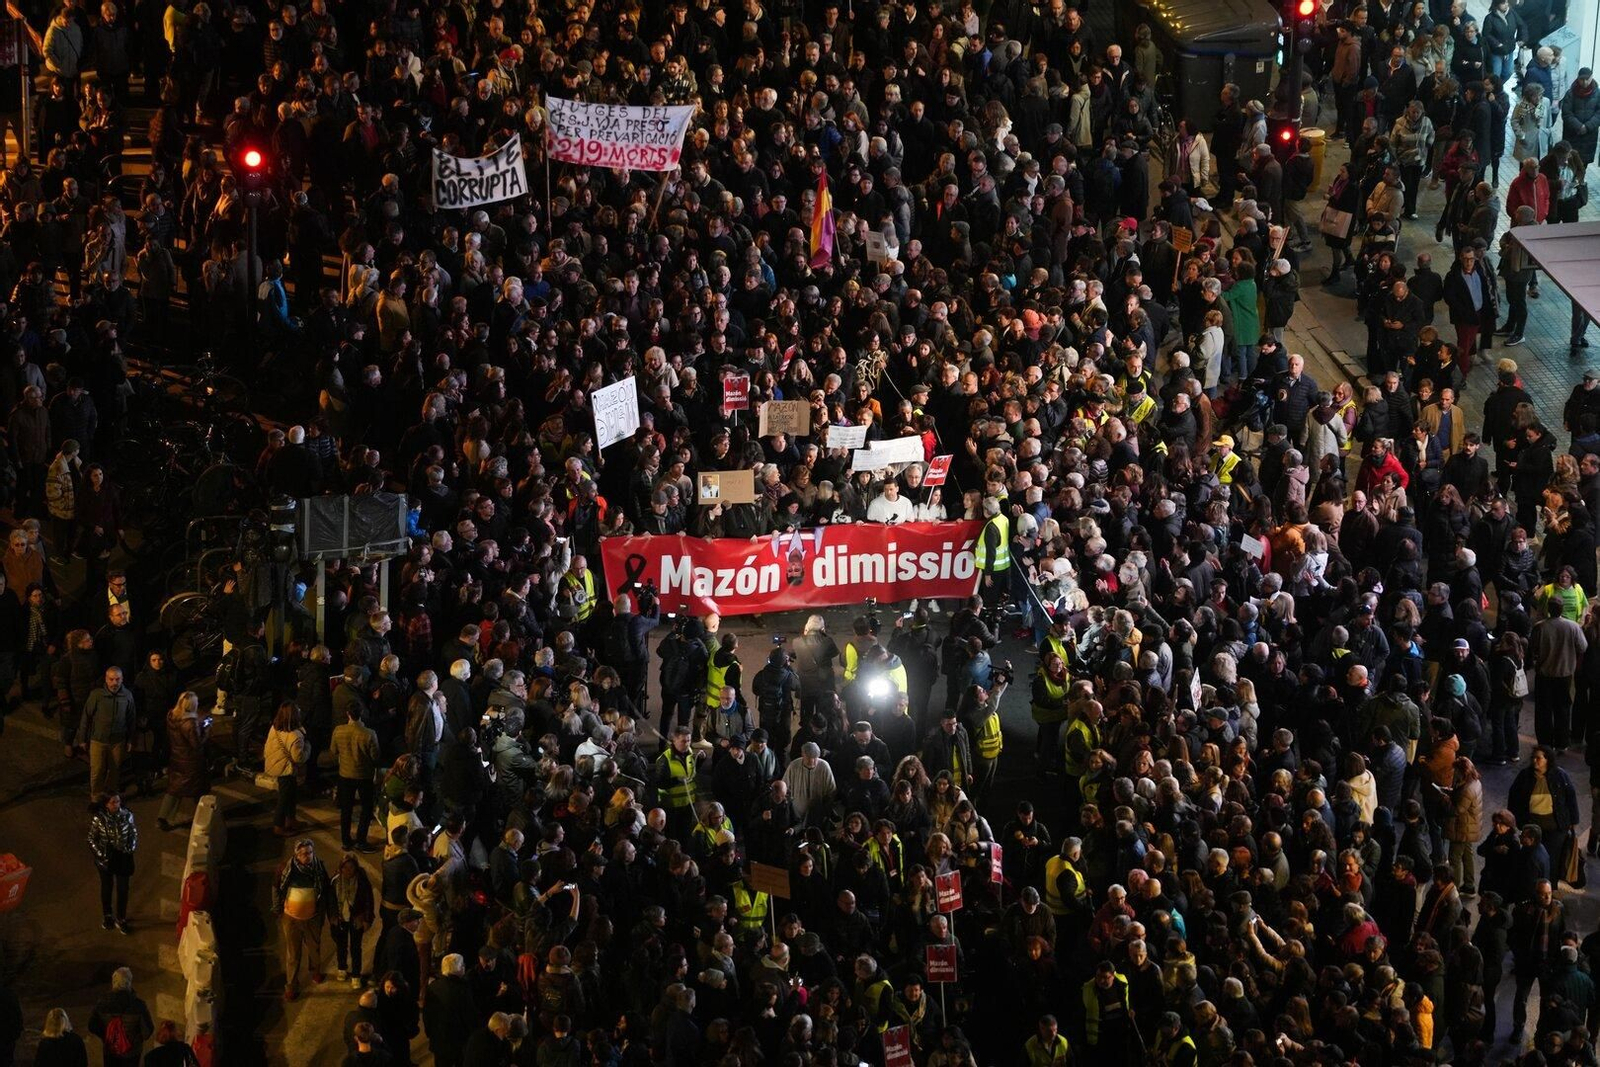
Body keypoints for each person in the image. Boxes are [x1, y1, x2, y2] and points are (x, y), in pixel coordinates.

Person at [271, 837, 332, 1001]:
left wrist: (331, 914)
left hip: (313, 917)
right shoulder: (286, 869)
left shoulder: (319, 868)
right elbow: (276, 888)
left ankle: (315, 971)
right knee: (293, 954)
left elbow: (326, 891)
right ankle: (291, 985)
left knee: (314, 948)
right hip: (291, 918)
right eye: (304, 853)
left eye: (310, 852)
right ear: (297, 855)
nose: (308, 856)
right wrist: (277, 908)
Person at [75, 666, 136, 798]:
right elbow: (86, 716)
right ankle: (96, 797)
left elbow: (131, 718)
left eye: (117, 679)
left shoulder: (127, 696)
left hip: (117, 741)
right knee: (97, 771)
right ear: (106, 679)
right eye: (111, 679)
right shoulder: (97, 695)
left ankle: (111, 796)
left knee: (115, 770)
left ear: (122, 679)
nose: (114, 683)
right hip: (98, 740)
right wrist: (82, 739)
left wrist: (130, 739)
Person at [157, 691, 209, 831]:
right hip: (191, 762)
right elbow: (197, 745)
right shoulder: (190, 724)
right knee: (200, 790)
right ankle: (204, 818)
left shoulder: (172, 717)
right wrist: (205, 730)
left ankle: (163, 817)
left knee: (174, 790)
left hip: (176, 759)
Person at [87, 792, 137, 933]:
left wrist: (130, 848)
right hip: (105, 861)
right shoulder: (99, 819)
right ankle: (107, 915)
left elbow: (133, 833)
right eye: (113, 802)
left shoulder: (128, 815)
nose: (116, 805)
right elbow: (91, 839)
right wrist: (101, 854)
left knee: (123, 889)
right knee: (107, 887)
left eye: (118, 801)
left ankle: (121, 918)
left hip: (123, 858)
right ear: (106, 804)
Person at [86, 968, 152, 1067]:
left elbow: (92, 1026)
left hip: (110, 1050)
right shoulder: (139, 1005)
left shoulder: (102, 1003)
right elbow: (147, 1032)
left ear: (113, 982)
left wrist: (105, 1036)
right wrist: (135, 1039)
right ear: (129, 982)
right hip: (131, 1052)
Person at [266, 701, 311, 836]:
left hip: (277, 765)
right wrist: (308, 746)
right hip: (286, 768)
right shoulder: (295, 736)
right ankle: (278, 825)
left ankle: (290, 820)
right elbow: (299, 758)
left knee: (290, 794)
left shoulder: (275, 727)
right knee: (285, 797)